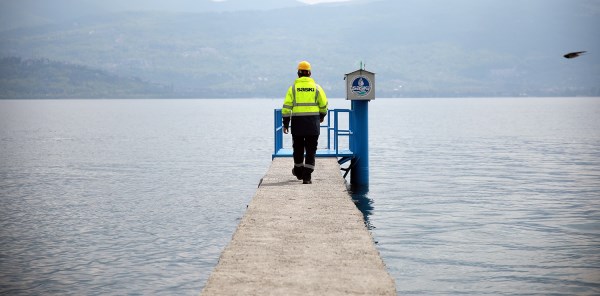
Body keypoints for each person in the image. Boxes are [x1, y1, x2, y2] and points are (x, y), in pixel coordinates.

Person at [282, 60, 328, 184]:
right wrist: (322, 115)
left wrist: (285, 123)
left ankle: (298, 171)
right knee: (311, 150)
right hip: (313, 124)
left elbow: (287, 107)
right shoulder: (317, 88)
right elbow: (323, 104)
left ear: (298, 73)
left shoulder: (293, 88)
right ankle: (307, 177)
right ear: (310, 73)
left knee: (298, 149)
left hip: (297, 124)